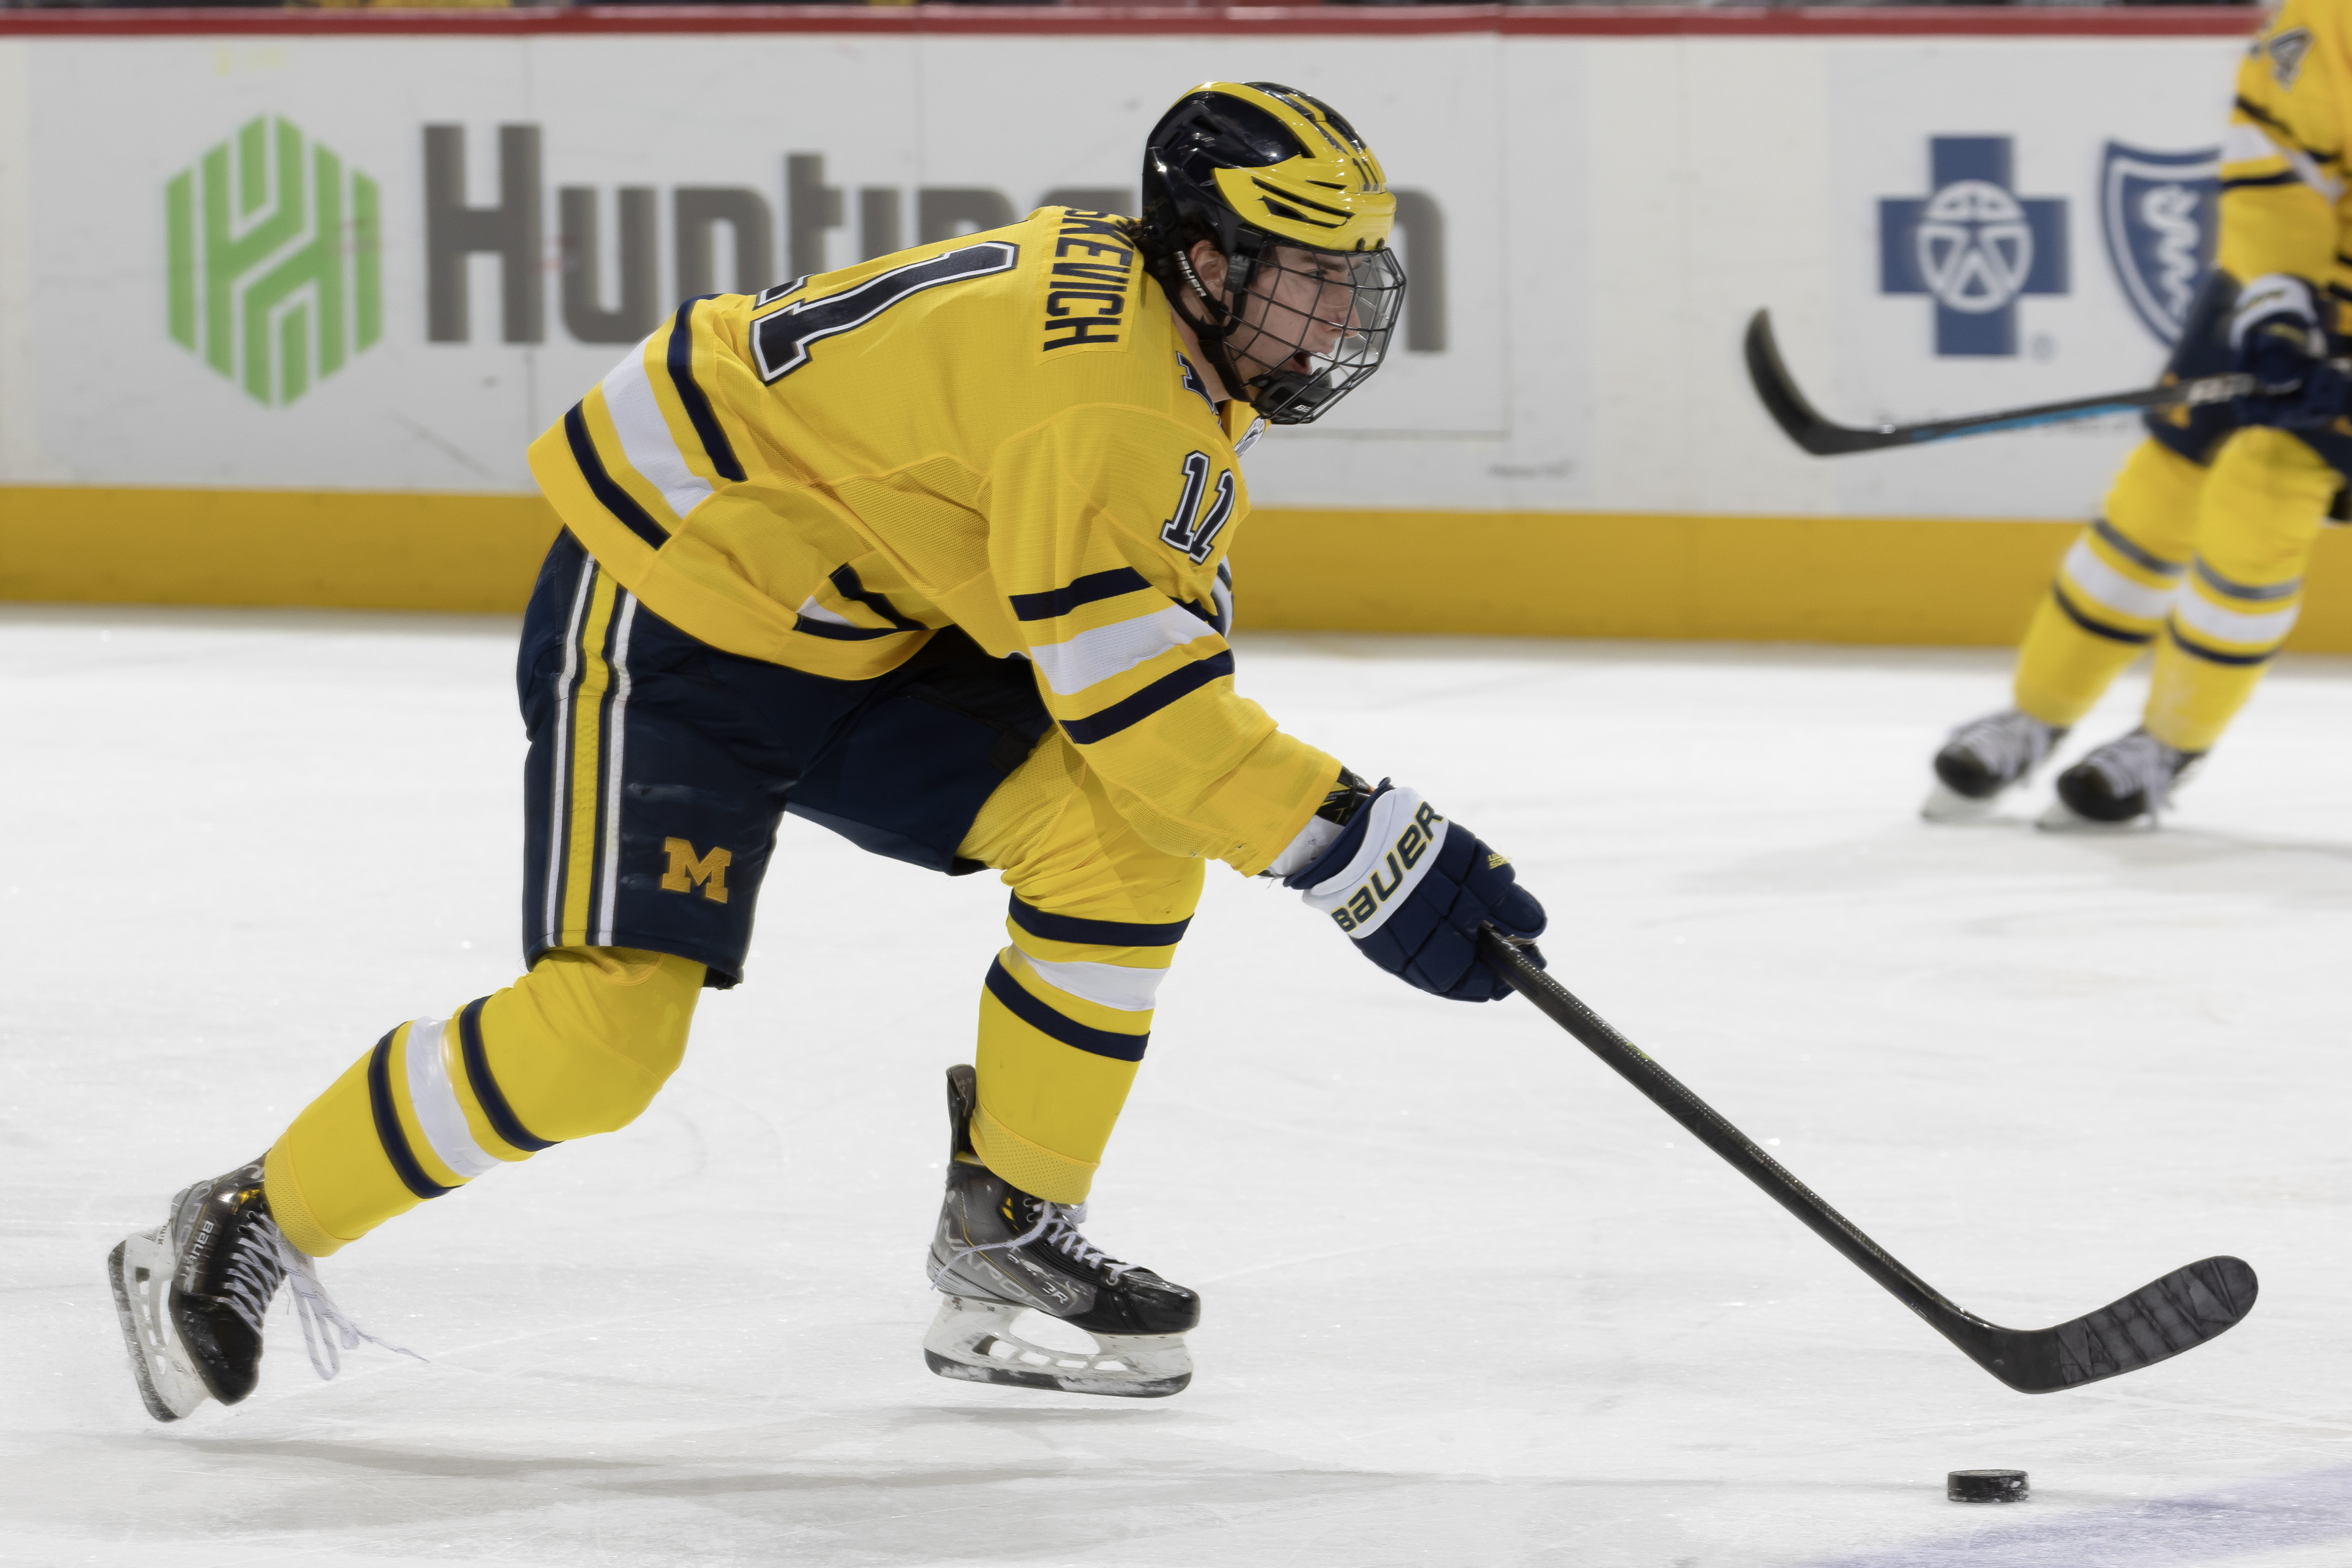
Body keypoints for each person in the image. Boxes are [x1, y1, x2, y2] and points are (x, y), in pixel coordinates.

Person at [106, 81, 1549, 1418]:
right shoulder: (1108, 398)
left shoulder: (1155, 348)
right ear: (1207, 258)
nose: (1335, 313)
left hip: (859, 605)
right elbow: (1141, 705)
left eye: (1353, 271)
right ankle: (248, 1214)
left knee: (1122, 839)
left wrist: (1333, 830)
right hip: (682, 592)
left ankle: (1009, 1226)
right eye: (1306, 271)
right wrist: (1356, 845)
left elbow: (1137, 693)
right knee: (607, 1040)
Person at [1925, 0, 2352, 828]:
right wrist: (2278, 305)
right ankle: (2035, 712)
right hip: (2285, 293)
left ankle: (2169, 741)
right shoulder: (2329, 14)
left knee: (2259, 500)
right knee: (2158, 497)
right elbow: (2278, 159)